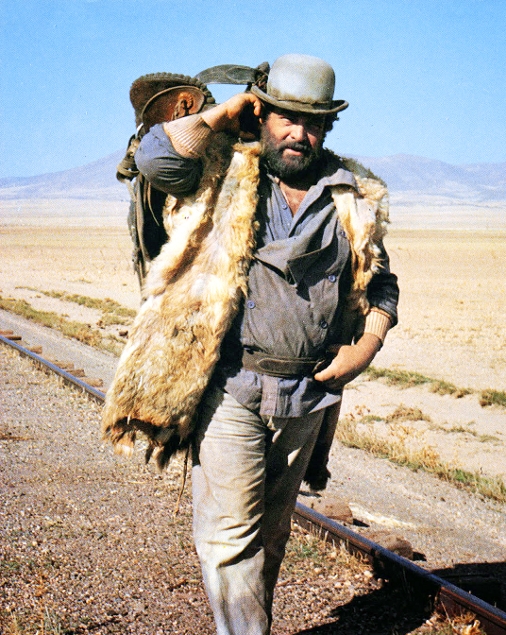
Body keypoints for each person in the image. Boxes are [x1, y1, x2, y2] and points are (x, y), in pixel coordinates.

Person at [103, 53, 399, 635]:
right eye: (287, 117)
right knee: (228, 538)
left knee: (271, 534)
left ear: (327, 127)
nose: (299, 133)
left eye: (313, 122)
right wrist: (224, 113)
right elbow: (155, 158)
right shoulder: (219, 172)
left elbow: (380, 279)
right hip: (230, 388)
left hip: (308, 394)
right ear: (261, 113)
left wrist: (367, 344)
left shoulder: (350, 195)